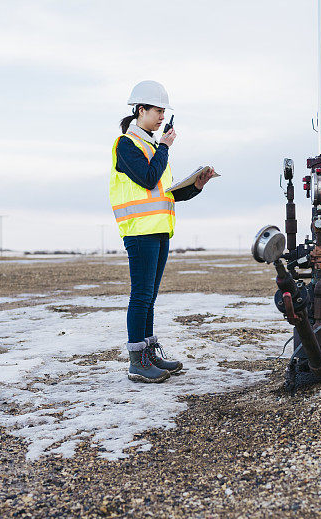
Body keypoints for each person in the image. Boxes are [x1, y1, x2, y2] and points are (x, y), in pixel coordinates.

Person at [109, 80, 215, 383]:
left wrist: (195, 186)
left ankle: (150, 353)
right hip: (139, 231)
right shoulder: (126, 145)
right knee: (141, 295)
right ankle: (137, 361)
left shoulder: (153, 147)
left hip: (158, 230)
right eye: (157, 110)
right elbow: (147, 177)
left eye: (162, 111)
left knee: (150, 296)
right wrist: (165, 148)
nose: (160, 116)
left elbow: (164, 192)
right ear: (140, 110)